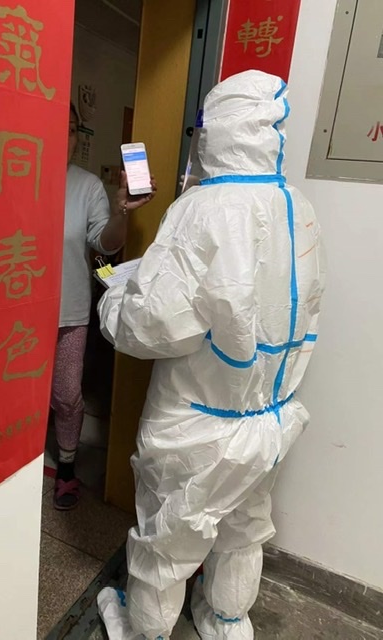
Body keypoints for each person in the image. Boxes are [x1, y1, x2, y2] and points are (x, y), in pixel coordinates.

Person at [97, 70, 326, 640]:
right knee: (242, 530)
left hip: (195, 423)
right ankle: (227, 622)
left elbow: (153, 326)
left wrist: (116, 298)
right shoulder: (299, 207)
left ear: (216, 130)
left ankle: (142, 630)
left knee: (166, 543)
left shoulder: (202, 209)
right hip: (269, 420)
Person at [51, 102, 156, 510]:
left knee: (66, 395)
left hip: (69, 312)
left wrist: (121, 212)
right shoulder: (12, 173)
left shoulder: (87, 186)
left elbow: (105, 245)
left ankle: (66, 467)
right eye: (56, 126)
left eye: (72, 129)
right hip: (16, 310)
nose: (65, 137)